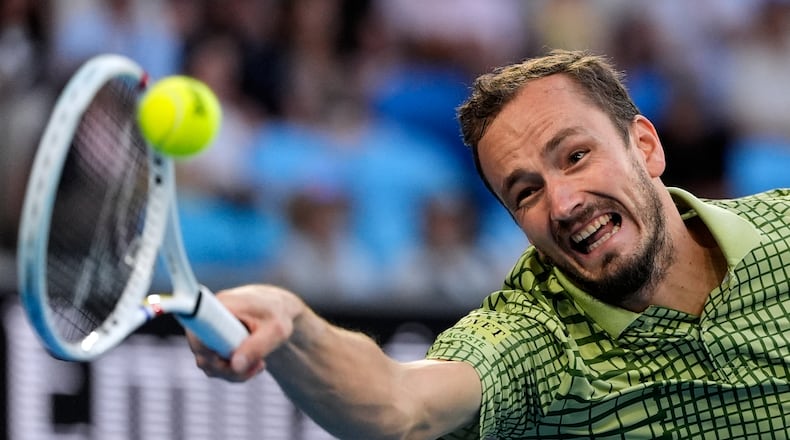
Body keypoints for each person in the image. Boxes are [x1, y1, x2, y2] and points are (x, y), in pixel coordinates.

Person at [186, 49, 790, 438]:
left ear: (646, 147)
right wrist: (296, 326)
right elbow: (399, 403)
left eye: (576, 156)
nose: (563, 203)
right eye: (526, 193)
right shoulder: (535, 337)